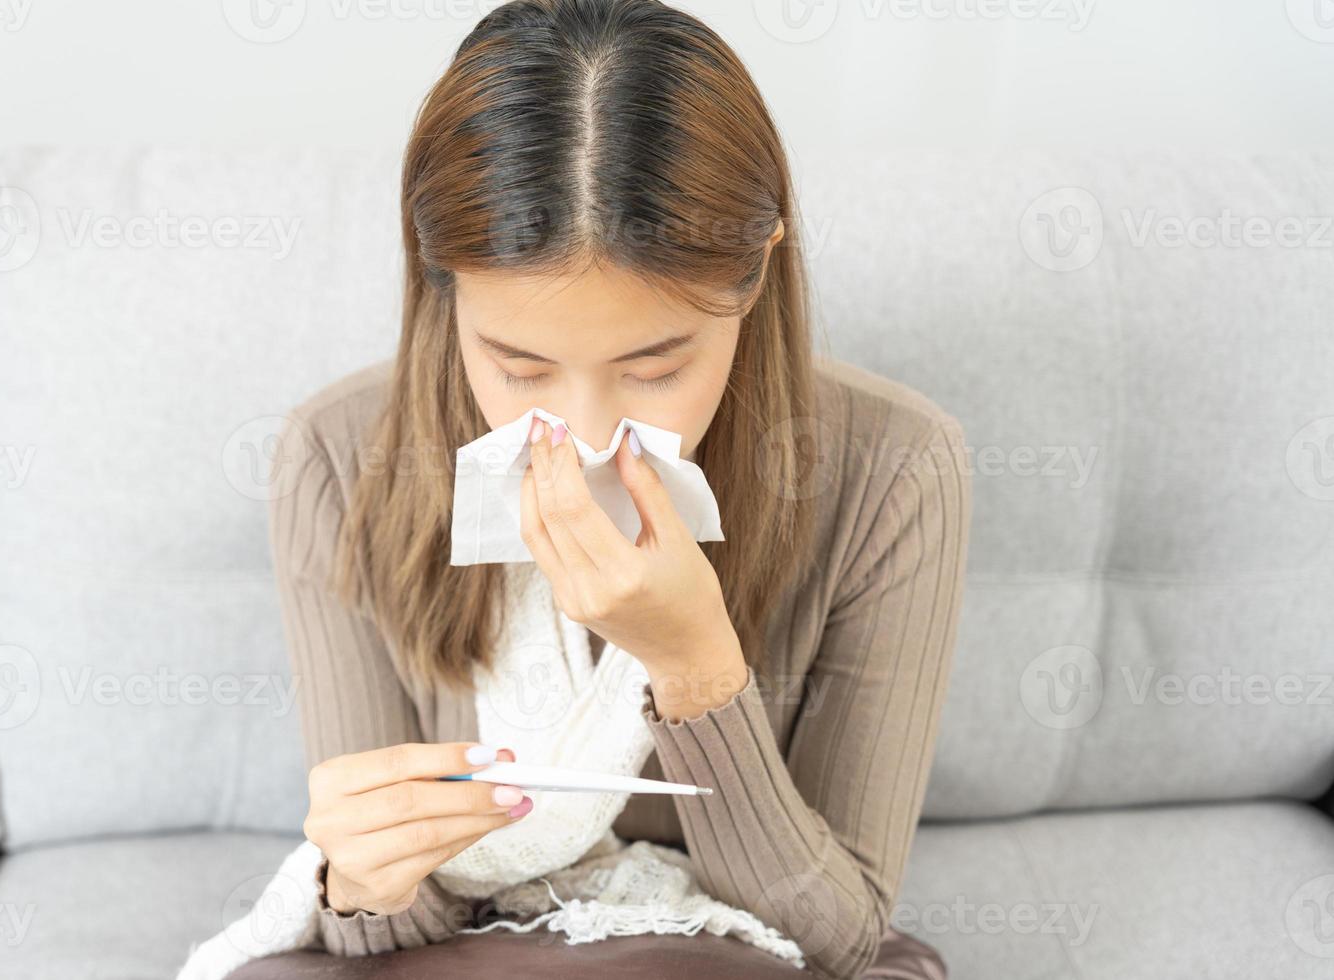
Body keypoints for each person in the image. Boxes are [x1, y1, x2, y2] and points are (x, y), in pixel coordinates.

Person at [243, 2, 971, 977]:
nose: (584, 436)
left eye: (656, 364)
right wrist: (360, 879)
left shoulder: (895, 467)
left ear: (755, 272)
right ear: (443, 285)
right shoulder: (339, 456)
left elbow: (836, 937)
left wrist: (697, 667)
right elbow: (375, 935)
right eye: (519, 363)